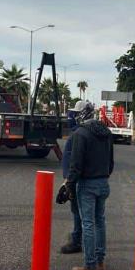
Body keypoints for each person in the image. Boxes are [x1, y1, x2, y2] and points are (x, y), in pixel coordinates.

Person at [65, 101, 114, 270]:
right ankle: (100, 261)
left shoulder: (81, 134)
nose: (74, 116)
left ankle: (90, 266)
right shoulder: (106, 132)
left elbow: (75, 164)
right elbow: (111, 162)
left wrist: (70, 184)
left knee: (88, 224)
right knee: (100, 221)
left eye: (77, 113)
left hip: (87, 184)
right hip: (103, 182)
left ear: (83, 114)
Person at [58, 101, 87, 253]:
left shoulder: (78, 134)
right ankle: (80, 237)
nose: (71, 117)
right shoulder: (79, 132)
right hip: (78, 178)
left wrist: (68, 181)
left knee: (77, 210)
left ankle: (77, 240)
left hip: (75, 179)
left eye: (74, 114)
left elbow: (75, 161)